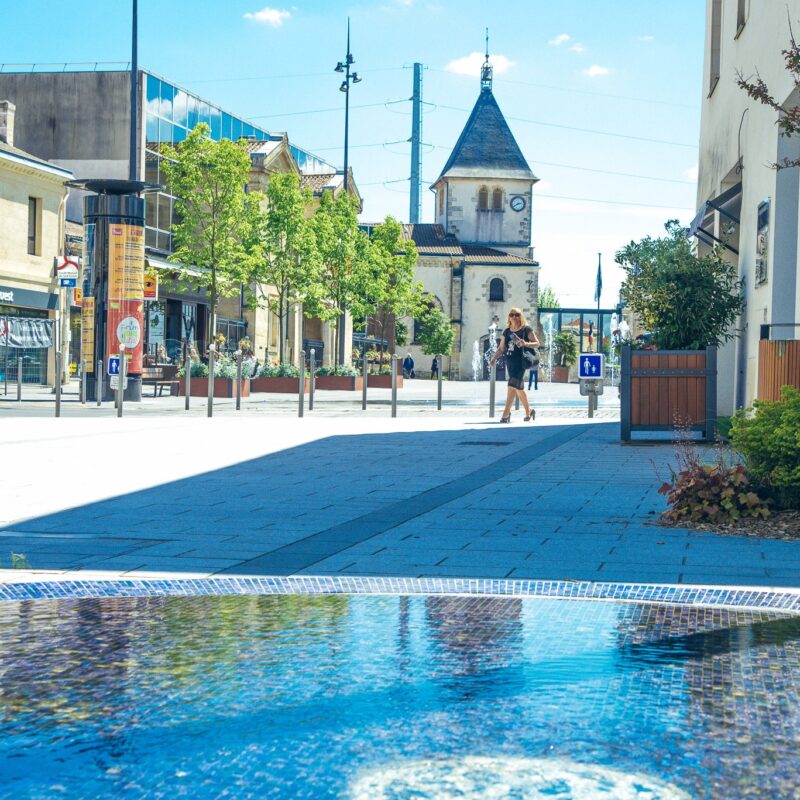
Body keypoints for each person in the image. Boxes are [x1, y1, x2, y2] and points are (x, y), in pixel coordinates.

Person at [489, 307, 540, 423]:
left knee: (512, 385)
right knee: (518, 388)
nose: (514, 317)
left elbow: (537, 343)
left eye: (517, 315)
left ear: (521, 316)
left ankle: (505, 414)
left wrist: (526, 343)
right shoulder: (507, 332)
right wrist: (493, 359)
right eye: (512, 315)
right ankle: (529, 411)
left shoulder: (526, 330)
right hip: (510, 363)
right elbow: (501, 348)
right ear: (509, 317)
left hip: (521, 362)